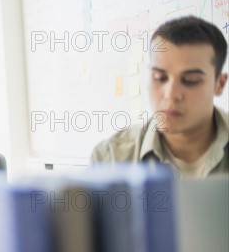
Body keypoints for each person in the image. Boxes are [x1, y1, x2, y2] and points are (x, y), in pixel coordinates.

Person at [91, 16, 228, 178]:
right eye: (159, 77)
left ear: (219, 84)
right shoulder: (111, 160)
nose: (171, 94)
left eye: (190, 80)